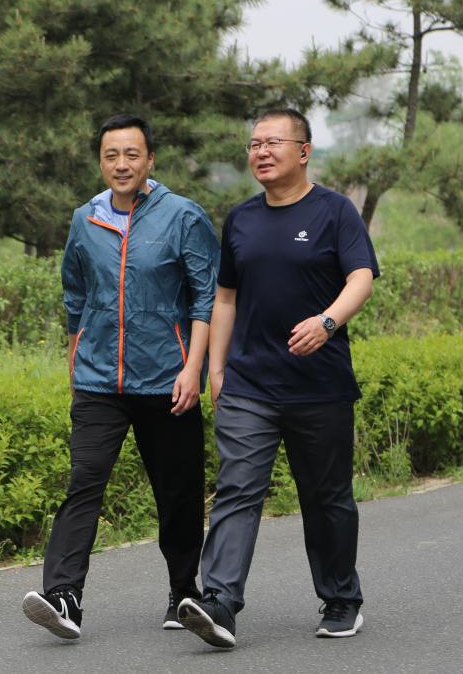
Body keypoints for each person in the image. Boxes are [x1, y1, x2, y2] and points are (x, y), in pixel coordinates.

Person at [177, 108, 379, 648]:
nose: (260, 152)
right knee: (236, 491)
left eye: (272, 142)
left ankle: (341, 598)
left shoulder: (335, 212)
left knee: (326, 497)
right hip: (249, 385)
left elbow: (362, 277)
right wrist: (216, 367)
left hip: (320, 387)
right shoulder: (241, 219)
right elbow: (225, 298)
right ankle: (220, 603)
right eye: (253, 144)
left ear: (304, 151)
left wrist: (327, 322)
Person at [23, 114, 220, 640]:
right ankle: (64, 596)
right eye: (111, 155)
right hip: (97, 384)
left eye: (132, 154)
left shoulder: (183, 216)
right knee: (83, 485)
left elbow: (205, 299)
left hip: (167, 380)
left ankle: (183, 591)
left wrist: (193, 368)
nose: (121, 164)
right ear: (101, 161)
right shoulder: (85, 219)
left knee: (177, 494)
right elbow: (75, 295)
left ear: (150, 159)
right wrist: (75, 363)